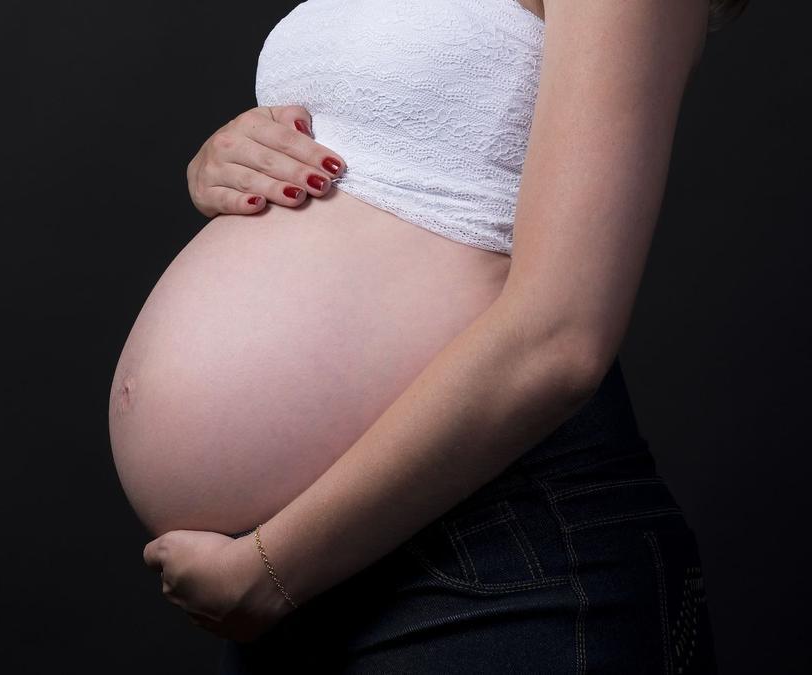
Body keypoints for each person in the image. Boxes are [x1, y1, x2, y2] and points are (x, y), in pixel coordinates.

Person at [142, 1, 750, 672]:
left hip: (493, 554)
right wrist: (231, 159)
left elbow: (561, 338)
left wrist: (271, 569)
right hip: (299, 570)